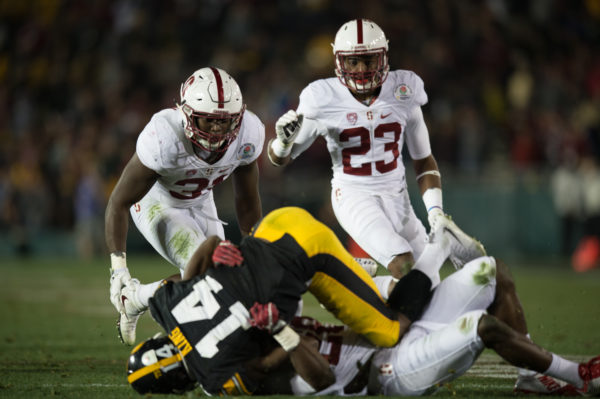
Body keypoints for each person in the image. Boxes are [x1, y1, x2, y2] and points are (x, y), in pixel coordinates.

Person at [123, 206, 485, 395]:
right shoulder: (170, 309)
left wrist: (280, 333)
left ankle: (441, 245)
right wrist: (217, 247)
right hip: (273, 226)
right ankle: (366, 277)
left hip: (307, 252)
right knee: (290, 310)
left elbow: (271, 362)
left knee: (390, 331)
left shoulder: (217, 375)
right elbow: (188, 273)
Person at [268, 19, 484, 279]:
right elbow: (281, 159)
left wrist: (435, 213)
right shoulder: (321, 98)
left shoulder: (404, 90)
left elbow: (424, 159)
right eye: (353, 61)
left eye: (369, 60)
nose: (361, 69)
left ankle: (356, 275)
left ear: (383, 58)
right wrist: (282, 142)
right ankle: (348, 272)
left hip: (398, 196)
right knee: (404, 265)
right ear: (339, 61)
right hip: (353, 195)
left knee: (429, 283)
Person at [247, 257, 600, 397]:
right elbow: (321, 379)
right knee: (479, 325)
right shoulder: (259, 367)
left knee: (489, 270)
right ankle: (578, 375)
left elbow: (307, 275)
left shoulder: (268, 311)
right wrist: (281, 331)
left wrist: (352, 268)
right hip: (389, 372)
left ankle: (530, 378)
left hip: (392, 334)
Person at [105, 67, 264, 345]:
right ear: (187, 114)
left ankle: (135, 299)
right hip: (158, 203)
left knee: (226, 281)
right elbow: (119, 201)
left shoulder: (249, 133)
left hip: (202, 201)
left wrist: (256, 246)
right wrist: (118, 268)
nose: (216, 129)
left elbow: (247, 199)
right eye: (208, 120)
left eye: (224, 121)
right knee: (209, 277)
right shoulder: (164, 136)